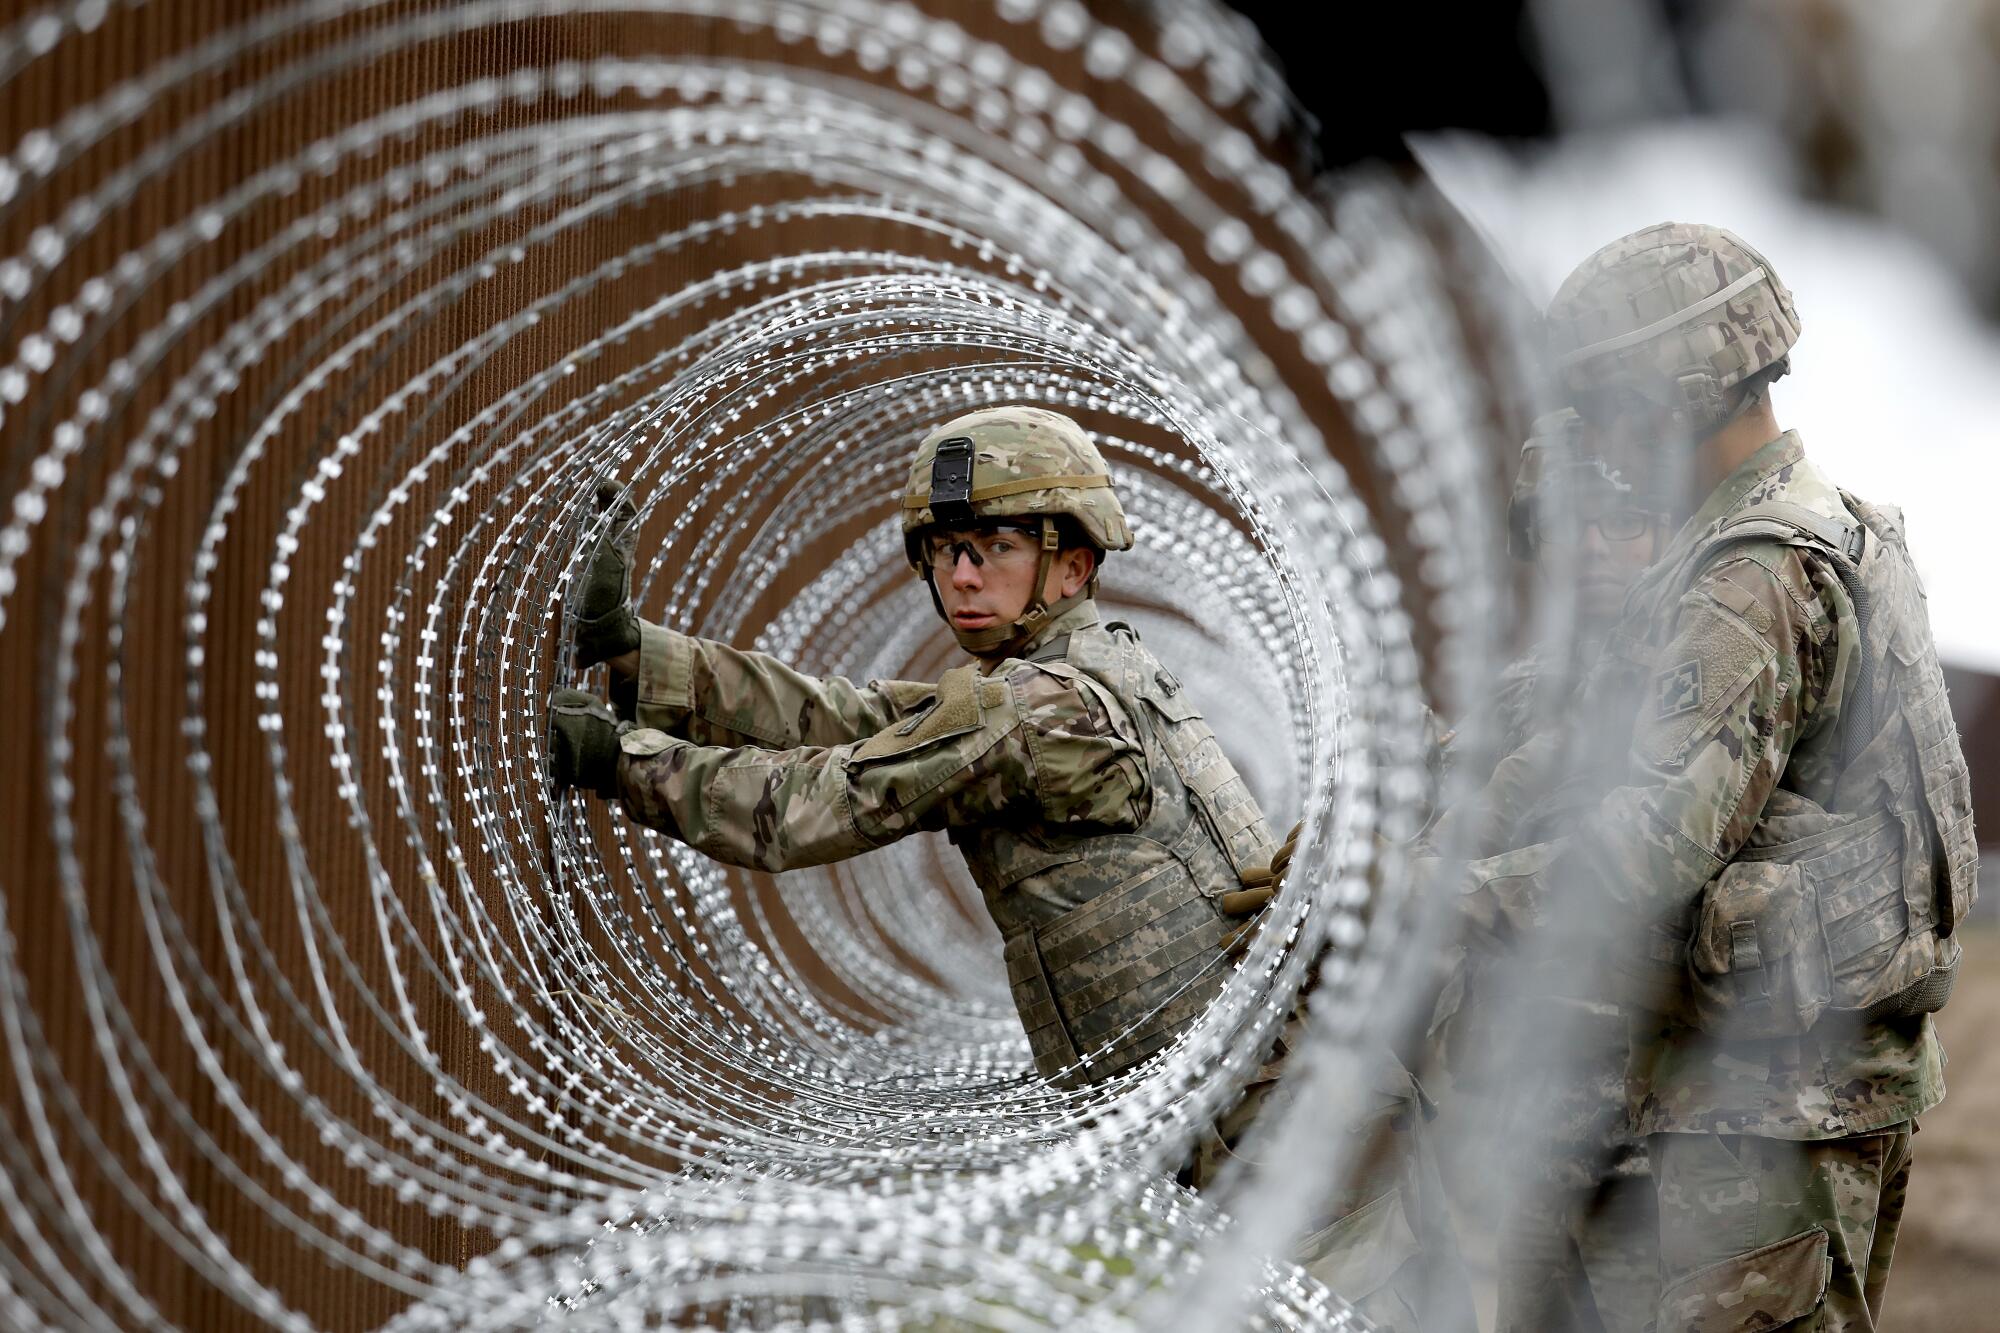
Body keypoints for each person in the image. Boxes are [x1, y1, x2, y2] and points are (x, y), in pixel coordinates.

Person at [546, 405, 1471, 1330]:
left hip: (1308, 1198)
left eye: (993, 544)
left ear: (1074, 559)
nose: (962, 573)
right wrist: (639, 660)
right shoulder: (1094, 669)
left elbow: (806, 806)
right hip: (1297, 1158)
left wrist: (614, 760)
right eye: (944, 550)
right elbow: (853, 719)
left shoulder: (1041, 715)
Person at [1452, 222, 1976, 1330]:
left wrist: (1434, 902)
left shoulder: (1751, 572)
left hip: (1754, 1125)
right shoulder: (1812, 534)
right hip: (1747, 1098)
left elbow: (1644, 848)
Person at [1431, 413, 1669, 1333]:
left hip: (1667, 1131)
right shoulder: (1525, 691)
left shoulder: (1717, 678)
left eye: (1628, 521)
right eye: (1574, 524)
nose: (1600, 549)